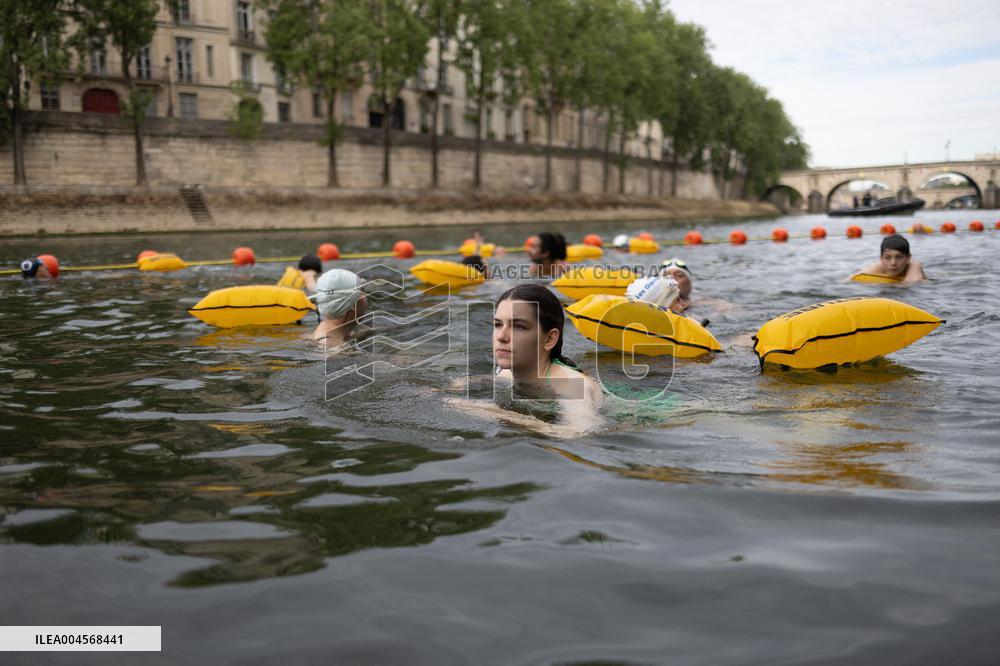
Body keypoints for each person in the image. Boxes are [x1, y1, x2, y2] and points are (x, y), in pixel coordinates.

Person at [493, 284, 603, 408]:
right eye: (498, 324)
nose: (501, 336)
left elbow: (580, 428)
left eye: (519, 326)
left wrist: (486, 411)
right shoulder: (503, 375)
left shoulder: (576, 386)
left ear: (549, 339)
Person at [310, 268, 367, 345]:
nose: (366, 295)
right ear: (352, 305)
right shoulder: (332, 348)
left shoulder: (327, 335)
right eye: (362, 291)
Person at [853, 234, 926, 282]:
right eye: (887, 258)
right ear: (881, 259)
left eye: (899, 257)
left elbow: (913, 284)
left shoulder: (914, 266)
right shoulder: (876, 268)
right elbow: (850, 281)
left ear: (908, 258)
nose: (893, 263)